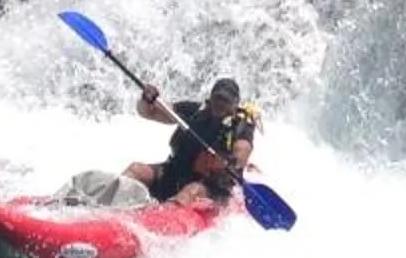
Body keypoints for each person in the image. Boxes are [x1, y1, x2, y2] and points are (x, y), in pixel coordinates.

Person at [55, 76, 259, 209]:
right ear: (211, 98)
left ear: (235, 105)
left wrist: (231, 162)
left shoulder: (241, 126)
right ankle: (104, 205)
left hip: (211, 187)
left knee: (190, 192)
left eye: (226, 102)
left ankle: (157, 223)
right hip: (174, 172)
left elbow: (243, 150)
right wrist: (147, 100)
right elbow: (149, 113)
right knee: (136, 169)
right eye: (217, 99)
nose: (220, 105)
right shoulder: (194, 111)